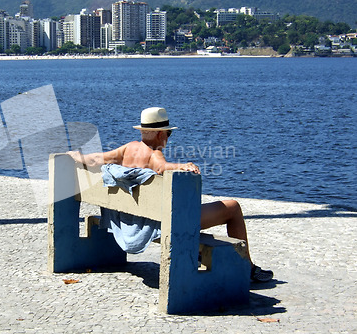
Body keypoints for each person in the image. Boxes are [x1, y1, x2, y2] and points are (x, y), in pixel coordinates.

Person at [67, 107, 274, 283]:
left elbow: (96, 159)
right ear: (160, 134)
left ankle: (205, 255)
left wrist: (78, 156)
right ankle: (248, 268)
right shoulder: (154, 153)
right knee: (233, 208)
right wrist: (183, 166)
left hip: (137, 220)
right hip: (166, 221)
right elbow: (162, 168)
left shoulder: (127, 149)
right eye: (168, 133)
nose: (167, 138)